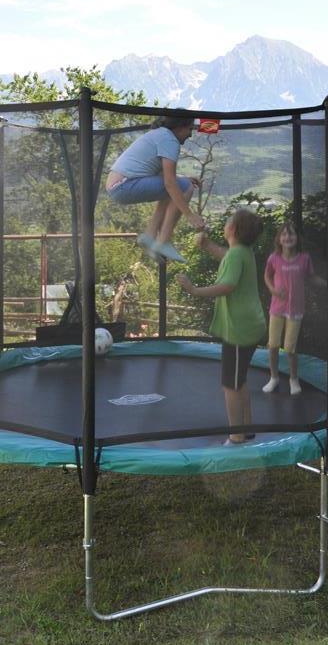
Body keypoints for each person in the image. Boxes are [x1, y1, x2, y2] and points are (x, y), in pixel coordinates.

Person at [176, 208, 266, 444]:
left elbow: (227, 286)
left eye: (228, 221)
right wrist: (207, 245)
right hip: (250, 324)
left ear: (233, 229)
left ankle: (236, 437)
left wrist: (193, 289)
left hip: (239, 329)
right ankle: (246, 428)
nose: (225, 224)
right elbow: (227, 256)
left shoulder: (237, 254)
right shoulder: (242, 251)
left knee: (230, 385)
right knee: (239, 380)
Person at [105, 112, 205, 263]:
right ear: (180, 127)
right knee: (186, 187)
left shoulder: (161, 134)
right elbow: (170, 183)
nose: (190, 134)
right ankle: (163, 241)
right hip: (125, 185)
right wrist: (190, 215)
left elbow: (165, 177)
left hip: (119, 185)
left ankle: (150, 236)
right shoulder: (170, 140)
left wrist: (183, 179)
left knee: (177, 188)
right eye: (190, 129)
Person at [263, 222, 322, 396]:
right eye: (284, 234)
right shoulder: (274, 258)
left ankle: (293, 379)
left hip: (296, 309)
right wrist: (273, 290)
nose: (288, 237)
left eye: (291, 234)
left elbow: (312, 277)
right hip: (277, 308)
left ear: (297, 238)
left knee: (290, 348)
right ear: (279, 239)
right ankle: (274, 378)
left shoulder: (304, 258)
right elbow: (267, 276)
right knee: (273, 345)